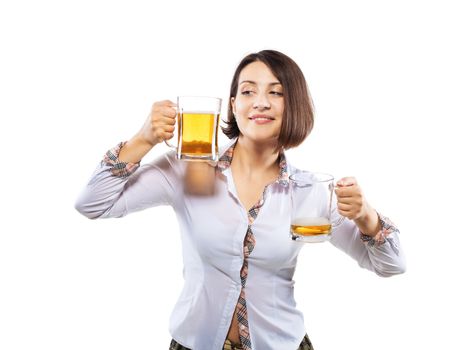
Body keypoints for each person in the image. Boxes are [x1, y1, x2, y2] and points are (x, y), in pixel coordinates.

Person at [75, 50, 406, 350]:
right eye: (248, 91)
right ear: (233, 104)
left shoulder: (310, 191)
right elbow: (92, 203)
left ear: (294, 107)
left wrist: (365, 216)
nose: (260, 102)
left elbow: (391, 265)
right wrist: (143, 139)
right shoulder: (187, 171)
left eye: (275, 92)